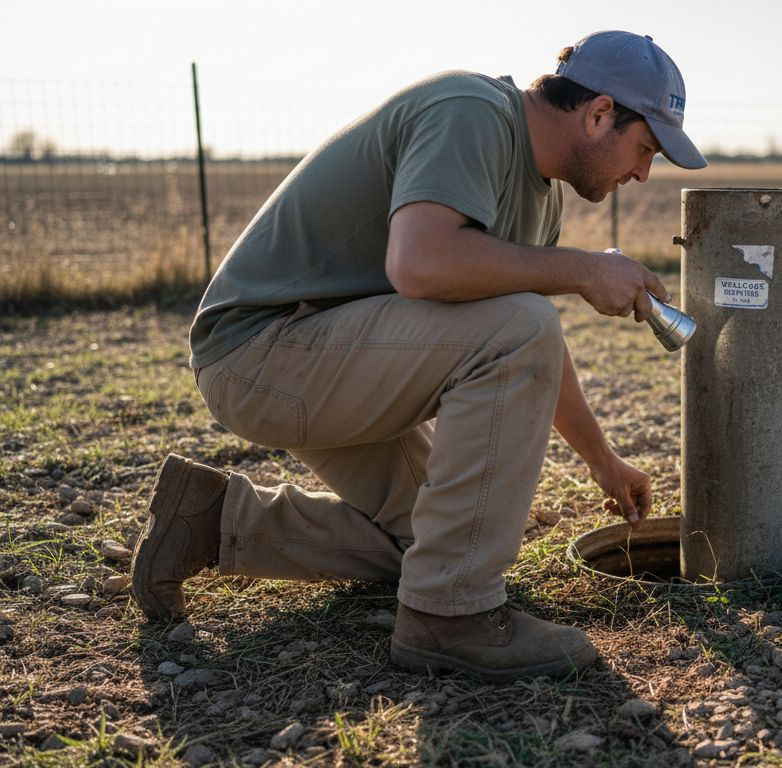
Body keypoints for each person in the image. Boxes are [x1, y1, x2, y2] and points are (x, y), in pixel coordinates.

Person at [130, 30, 706, 683]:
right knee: (523, 326)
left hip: (333, 357)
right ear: (599, 113)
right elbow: (422, 264)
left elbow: (528, 336)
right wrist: (580, 269)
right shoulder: (470, 111)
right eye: (644, 149)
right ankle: (450, 619)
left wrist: (602, 459)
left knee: (428, 540)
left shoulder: (539, 198)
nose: (642, 173)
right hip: (262, 353)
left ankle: (212, 522)